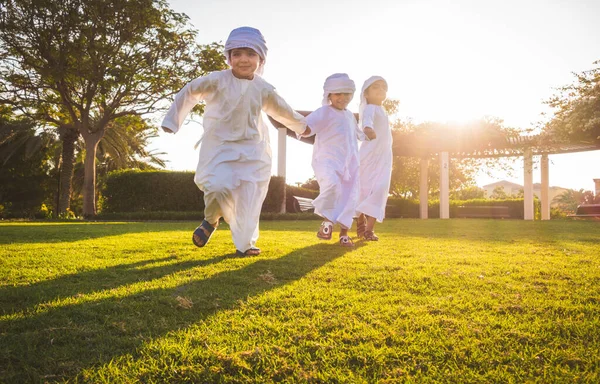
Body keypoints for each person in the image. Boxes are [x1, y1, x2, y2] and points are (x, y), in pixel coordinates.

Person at [161, 26, 308, 256]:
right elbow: (189, 92)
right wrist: (172, 121)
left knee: (249, 199)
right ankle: (211, 219)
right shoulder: (216, 80)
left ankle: (245, 245)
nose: (243, 60)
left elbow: (284, 111)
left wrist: (303, 127)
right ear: (229, 57)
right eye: (237, 54)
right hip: (219, 148)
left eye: (250, 54)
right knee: (217, 187)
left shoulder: (263, 88)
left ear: (260, 59)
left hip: (253, 151)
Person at [302, 73, 365, 247]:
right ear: (328, 95)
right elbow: (307, 127)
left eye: (347, 94)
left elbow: (359, 133)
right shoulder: (323, 112)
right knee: (332, 185)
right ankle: (327, 221)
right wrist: (301, 128)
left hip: (350, 162)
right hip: (327, 160)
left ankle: (344, 234)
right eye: (338, 94)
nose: (343, 98)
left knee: (349, 197)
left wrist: (369, 134)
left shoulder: (350, 115)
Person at [356, 76, 392, 241]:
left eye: (383, 87)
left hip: (384, 158)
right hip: (369, 156)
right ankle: (361, 224)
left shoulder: (384, 111)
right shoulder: (370, 108)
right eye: (375, 87)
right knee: (363, 189)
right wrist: (368, 129)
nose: (380, 90)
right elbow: (366, 121)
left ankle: (369, 230)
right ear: (366, 94)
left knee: (380, 189)